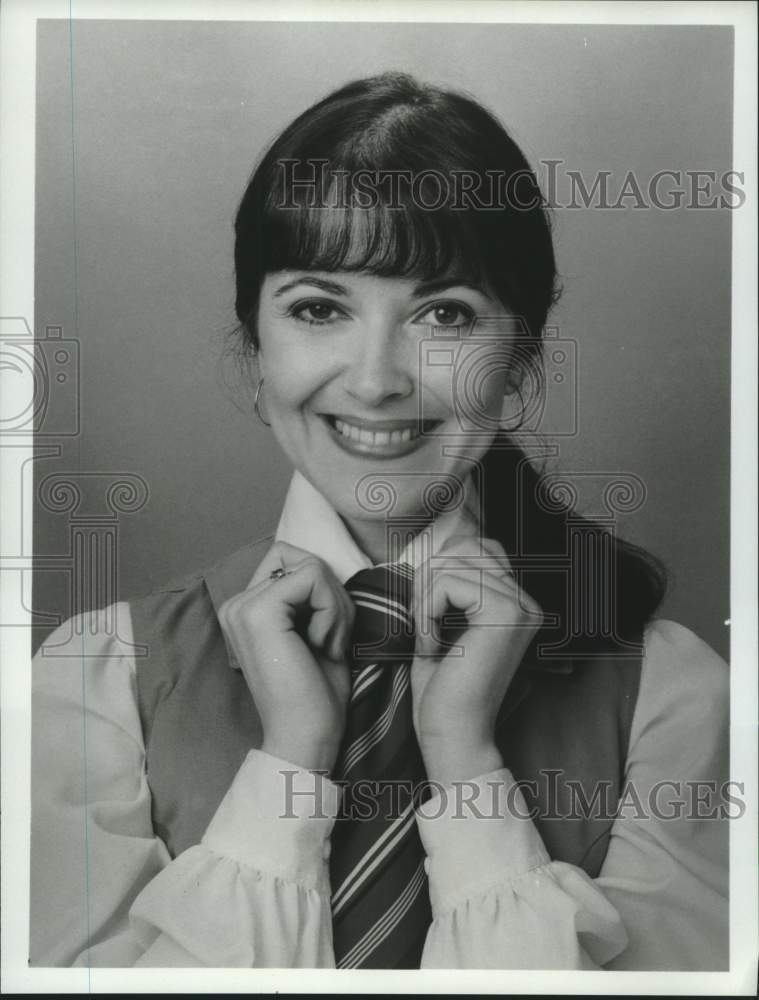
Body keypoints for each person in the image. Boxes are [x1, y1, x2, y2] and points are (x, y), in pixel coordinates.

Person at [30, 72, 729, 970]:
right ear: (255, 356)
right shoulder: (96, 680)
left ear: (517, 365)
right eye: (319, 309)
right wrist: (291, 761)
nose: (374, 380)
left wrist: (464, 759)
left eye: (443, 313)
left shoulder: (672, 696)